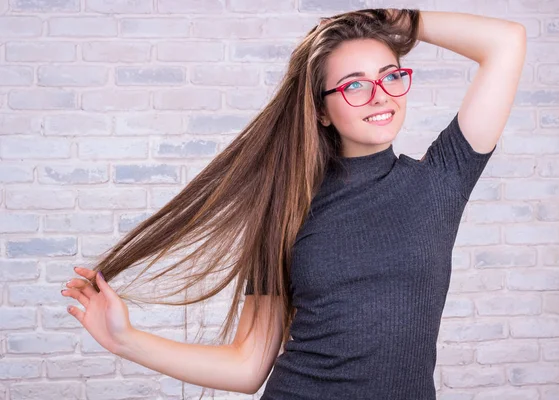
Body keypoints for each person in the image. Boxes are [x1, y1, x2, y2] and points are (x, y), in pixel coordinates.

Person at [61, 8, 526, 399]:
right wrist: (125, 340)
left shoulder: (440, 179)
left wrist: (396, 18)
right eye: (354, 85)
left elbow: (506, 42)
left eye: (390, 76)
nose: (380, 95)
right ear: (321, 110)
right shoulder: (285, 210)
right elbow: (247, 367)